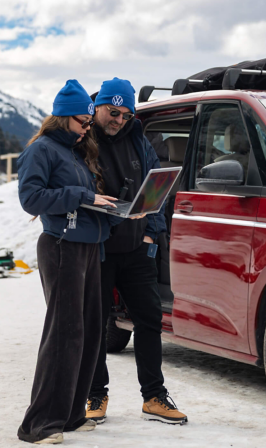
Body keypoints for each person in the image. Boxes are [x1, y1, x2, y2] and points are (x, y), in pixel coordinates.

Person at [16, 79, 139, 444]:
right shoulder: (42, 150)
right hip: (61, 247)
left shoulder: (74, 151)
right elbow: (32, 198)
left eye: (89, 121)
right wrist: (83, 195)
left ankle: (70, 416)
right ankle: (39, 425)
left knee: (87, 334)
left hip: (88, 246)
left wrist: (119, 210)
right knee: (63, 335)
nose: (89, 128)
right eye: (83, 122)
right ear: (63, 117)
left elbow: (83, 200)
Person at [85, 78, 188, 425]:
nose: (119, 120)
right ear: (97, 105)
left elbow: (156, 190)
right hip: (96, 249)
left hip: (135, 247)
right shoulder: (82, 137)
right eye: (113, 112)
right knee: (95, 324)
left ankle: (154, 397)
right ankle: (95, 394)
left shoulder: (139, 140)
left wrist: (150, 237)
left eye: (126, 115)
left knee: (149, 320)